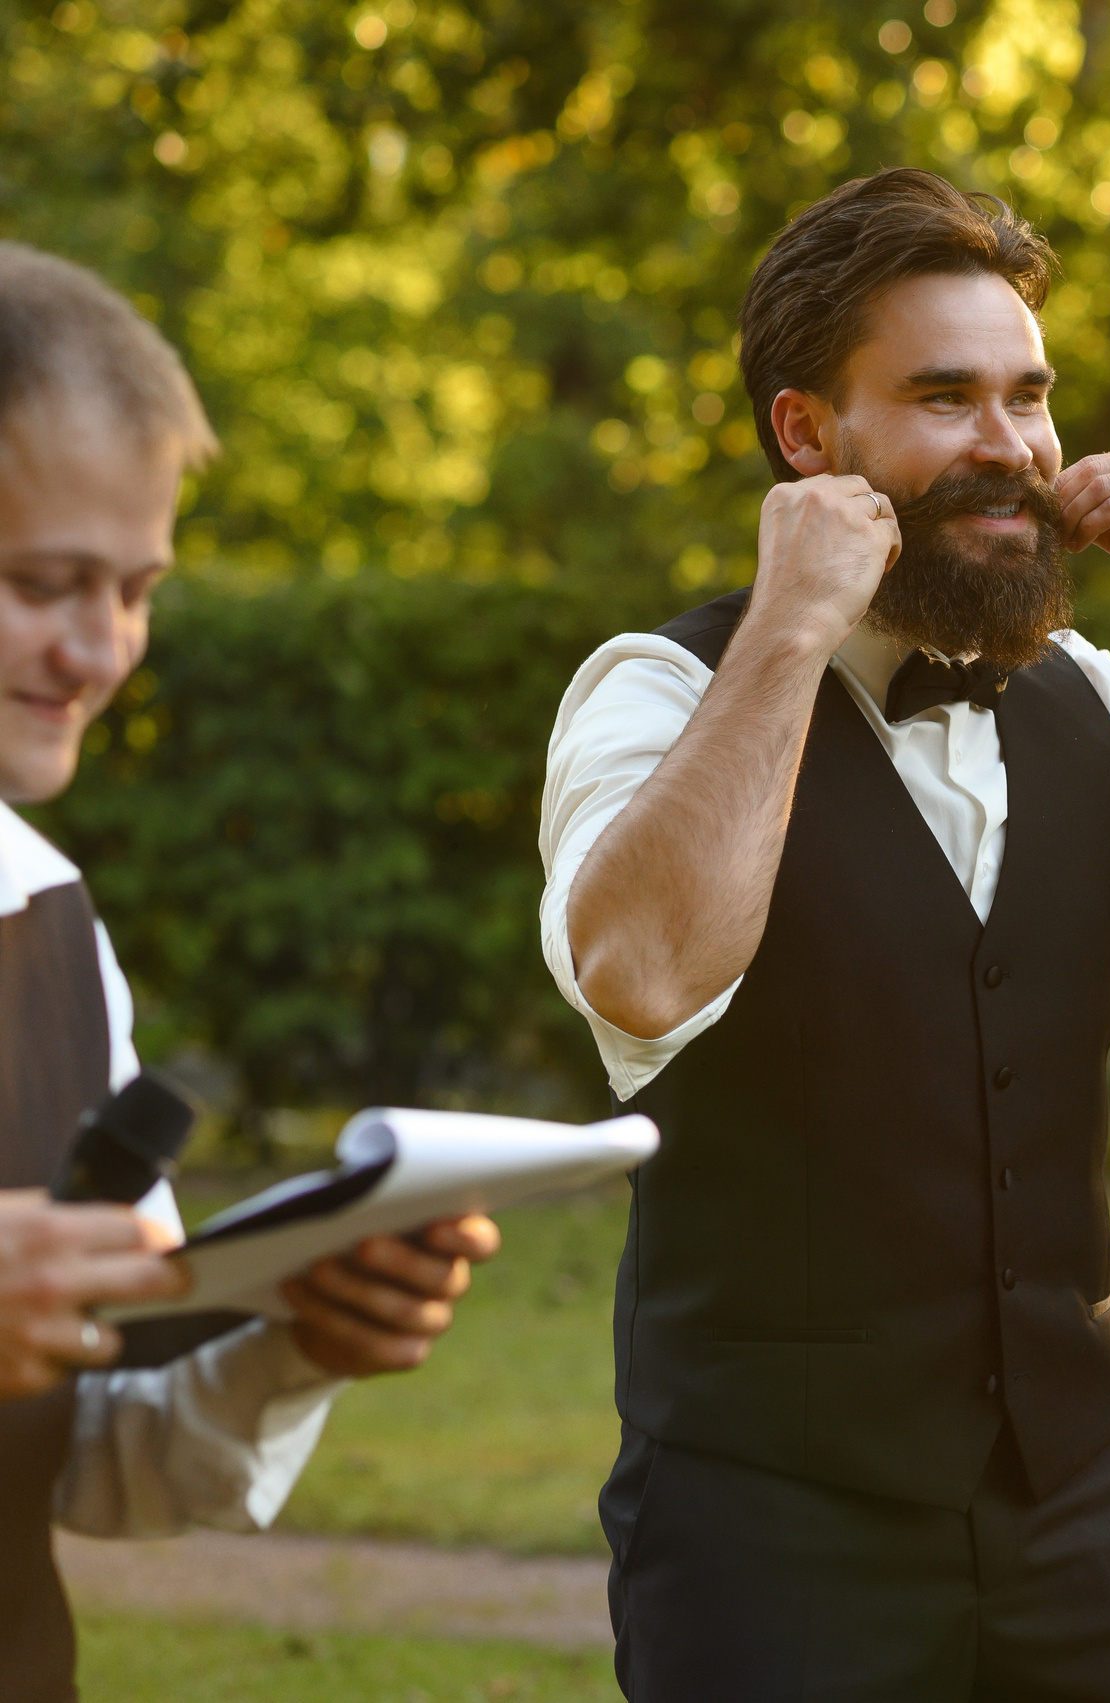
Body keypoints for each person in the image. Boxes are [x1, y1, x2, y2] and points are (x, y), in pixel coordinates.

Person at [539, 168, 1110, 1700]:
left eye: (1029, 398)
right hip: (772, 1527)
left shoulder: (1087, 696)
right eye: (947, 398)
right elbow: (640, 982)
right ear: (806, 436)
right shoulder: (654, 691)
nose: (1012, 448)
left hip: (1084, 1503)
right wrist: (785, 632)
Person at [0, 241, 502, 1703]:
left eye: (138, 588)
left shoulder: (51, 928)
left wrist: (296, 1336)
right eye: (43, 584)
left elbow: (101, 1463)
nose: (100, 651)